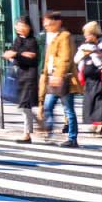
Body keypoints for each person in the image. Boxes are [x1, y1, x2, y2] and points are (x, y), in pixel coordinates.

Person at [38, 11, 82, 148]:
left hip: (64, 79)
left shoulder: (65, 36)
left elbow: (65, 58)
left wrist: (58, 75)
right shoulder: (53, 38)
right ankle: (49, 133)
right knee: (48, 107)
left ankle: (72, 138)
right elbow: (48, 61)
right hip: (53, 78)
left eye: (48, 23)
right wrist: (45, 76)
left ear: (57, 22)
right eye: (45, 24)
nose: (46, 26)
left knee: (68, 109)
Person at [73, 21, 102, 137]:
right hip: (89, 80)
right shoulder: (83, 47)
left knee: (101, 102)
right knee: (90, 101)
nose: (86, 36)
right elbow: (76, 60)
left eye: (88, 34)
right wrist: (84, 54)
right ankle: (94, 123)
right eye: (85, 34)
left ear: (95, 34)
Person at [3, 17, 39, 144]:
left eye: (21, 25)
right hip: (20, 75)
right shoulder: (18, 40)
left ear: (28, 27)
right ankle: (38, 125)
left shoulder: (32, 41)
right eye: (17, 26)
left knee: (24, 105)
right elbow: (11, 53)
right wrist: (12, 55)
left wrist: (16, 55)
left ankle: (27, 133)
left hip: (29, 76)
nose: (19, 28)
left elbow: (31, 56)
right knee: (23, 105)